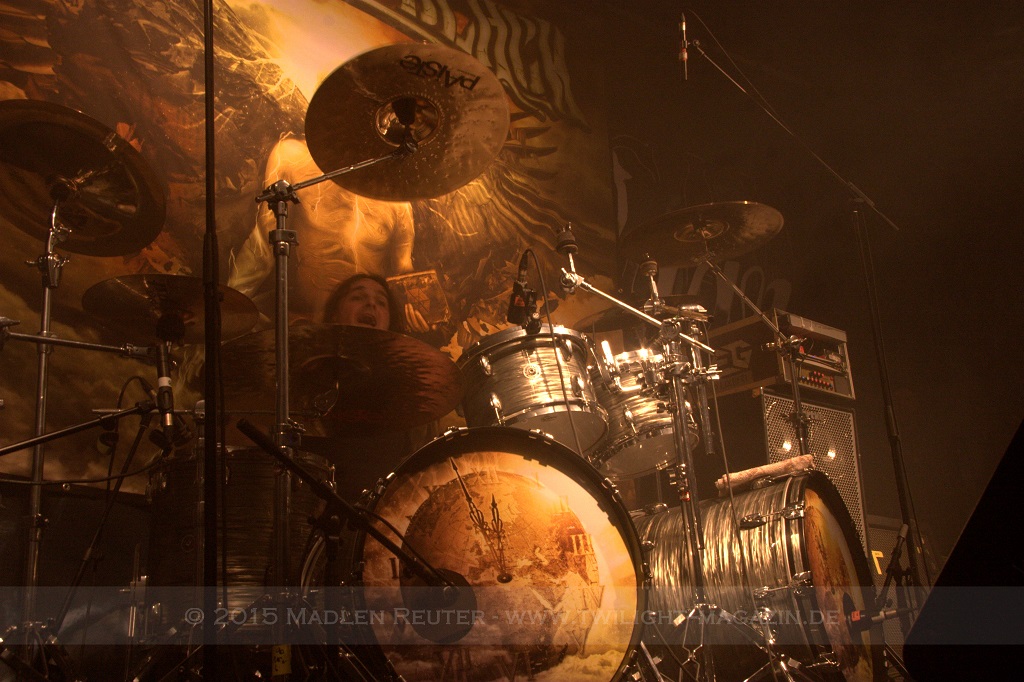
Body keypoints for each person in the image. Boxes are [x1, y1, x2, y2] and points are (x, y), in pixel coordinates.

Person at [317, 273, 439, 504]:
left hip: (384, 512)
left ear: (389, 323)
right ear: (334, 314)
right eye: (358, 297)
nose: (371, 304)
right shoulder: (308, 374)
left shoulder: (408, 387)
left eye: (381, 302)